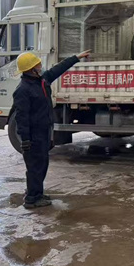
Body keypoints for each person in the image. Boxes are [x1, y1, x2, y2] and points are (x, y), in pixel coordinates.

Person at [13, 50, 90, 209]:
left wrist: (76, 57)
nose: (40, 66)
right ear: (31, 69)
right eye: (37, 64)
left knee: (42, 164)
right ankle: (31, 199)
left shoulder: (41, 81)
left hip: (44, 131)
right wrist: (25, 139)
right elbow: (21, 118)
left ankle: (37, 193)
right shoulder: (23, 90)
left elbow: (58, 69)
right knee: (35, 167)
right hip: (33, 135)